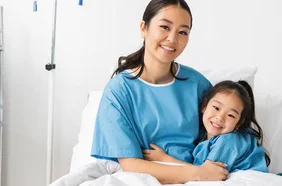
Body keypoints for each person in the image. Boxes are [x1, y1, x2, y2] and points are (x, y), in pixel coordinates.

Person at [90, 0, 229, 184]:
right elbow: (131, 164)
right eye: (164, 27)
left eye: (182, 32)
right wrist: (197, 174)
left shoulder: (197, 84)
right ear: (144, 28)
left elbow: (222, 137)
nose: (172, 39)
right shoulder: (119, 91)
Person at [143, 80, 271, 173]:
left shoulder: (229, 141)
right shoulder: (200, 136)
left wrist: (165, 159)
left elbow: (207, 173)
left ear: (238, 123)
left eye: (231, 115)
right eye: (216, 108)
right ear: (204, 106)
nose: (220, 118)